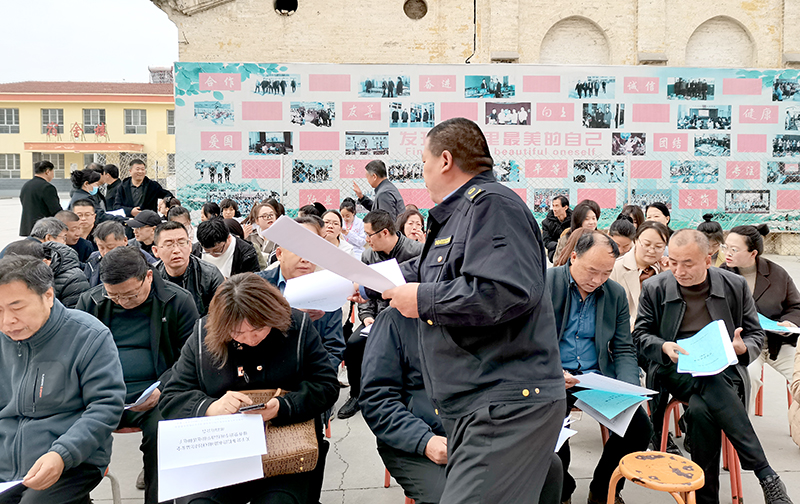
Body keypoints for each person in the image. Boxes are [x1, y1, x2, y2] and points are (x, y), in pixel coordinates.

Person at [379, 118, 565, 504]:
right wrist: (362, 280)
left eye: (424, 163)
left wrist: (424, 300)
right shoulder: (461, 214)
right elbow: (433, 273)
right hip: (475, 403)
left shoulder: (492, 205)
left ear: (445, 160)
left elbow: (506, 290)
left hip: (504, 403)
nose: (423, 174)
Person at [634, 229, 792, 504]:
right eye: (673, 262)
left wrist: (743, 348)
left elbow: (755, 334)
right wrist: (662, 346)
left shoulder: (733, 285)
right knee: (709, 382)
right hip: (675, 367)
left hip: (723, 367)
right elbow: (640, 335)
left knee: (700, 408)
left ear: (708, 260)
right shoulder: (655, 287)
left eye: (688, 263)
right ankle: (766, 474)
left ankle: (706, 500)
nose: (678, 271)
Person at [158, 273, 339, 504]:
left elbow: (326, 386)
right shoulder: (204, 333)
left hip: (284, 447)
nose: (250, 339)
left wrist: (282, 407)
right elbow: (172, 396)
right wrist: (211, 407)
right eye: (237, 333)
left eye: (258, 329)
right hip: (221, 451)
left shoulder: (297, 326)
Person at [76, 247, 200, 504]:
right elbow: (75, 355)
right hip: (100, 394)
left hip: (156, 393)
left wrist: (163, 387)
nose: (122, 302)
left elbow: (190, 359)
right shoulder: (91, 301)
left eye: (131, 295)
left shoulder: (177, 301)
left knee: (163, 433)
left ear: (149, 277)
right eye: (114, 296)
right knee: (64, 428)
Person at [0, 255, 125, 504]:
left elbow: (105, 407)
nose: (7, 321)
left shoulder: (88, 335)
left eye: (16, 308)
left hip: (72, 458)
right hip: (6, 459)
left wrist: (61, 454)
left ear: (48, 296)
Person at [546, 232, 653, 504]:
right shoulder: (547, 284)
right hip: (553, 377)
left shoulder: (614, 294)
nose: (596, 280)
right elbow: (527, 341)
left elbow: (623, 347)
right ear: (573, 257)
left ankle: (604, 489)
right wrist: (551, 372)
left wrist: (628, 389)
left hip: (595, 380)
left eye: (605, 273)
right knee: (551, 427)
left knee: (639, 428)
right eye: (591, 271)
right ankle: (562, 491)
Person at [339, 209, 423, 420]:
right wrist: (366, 316)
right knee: (354, 345)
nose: (366, 240)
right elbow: (366, 296)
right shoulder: (368, 255)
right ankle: (356, 394)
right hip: (375, 317)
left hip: (408, 316)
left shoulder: (416, 252)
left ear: (385, 232)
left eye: (369, 235)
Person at [360, 308, 447, 504]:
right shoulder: (394, 320)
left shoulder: (485, 311)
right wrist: (425, 441)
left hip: (478, 432)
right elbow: (377, 399)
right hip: (415, 438)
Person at [721, 224, 800, 412]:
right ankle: (740, 429)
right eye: (725, 247)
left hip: (776, 343)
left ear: (753, 253)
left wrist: (789, 323)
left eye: (734, 249)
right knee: (748, 377)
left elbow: (796, 306)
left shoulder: (777, 274)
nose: (727, 254)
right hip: (745, 345)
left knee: (799, 376)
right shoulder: (721, 275)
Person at [259, 216, 346, 371]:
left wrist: (314, 381)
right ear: (279, 254)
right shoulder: (257, 287)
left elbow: (334, 348)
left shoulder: (328, 291)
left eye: (312, 251)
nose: (306, 259)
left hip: (310, 378)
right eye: (298, 249)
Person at [153, 221, 224, 317]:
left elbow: (221, 314)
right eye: (169, 245)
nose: (177, 250)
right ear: (156, 251)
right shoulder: (150, 276)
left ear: (190, 246)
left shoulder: (210, 275)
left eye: (182, 243)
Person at [610, 221, 670, 331]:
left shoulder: (667, 270)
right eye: (646, 244)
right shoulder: (615, 268)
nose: (651, 250)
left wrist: (670, 275)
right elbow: (609, 309)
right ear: (636, 241)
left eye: (658, 246)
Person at [5, 238, 90, 309]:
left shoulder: (74, 279)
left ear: (45, 263)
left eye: (22, 269)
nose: (17, 274)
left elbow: (73, 317)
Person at [84, 221, 158, 288]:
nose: (106, 252)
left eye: (110, 247)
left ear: (125, 240)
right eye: (101, 247)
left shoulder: (141, 258)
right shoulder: (93, 259)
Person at [193, 217, 260, 277]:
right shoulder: (195, 251)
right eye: (206, 251)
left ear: (228, 237)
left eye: (217, 250)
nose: (212, 254)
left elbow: (252, 283)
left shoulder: (246, 254)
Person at [19, 160, 62, 237]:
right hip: (43, 229)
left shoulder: (26, 185)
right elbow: (55, 209)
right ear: (47, 171)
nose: (53, 175)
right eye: (53, 172)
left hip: (28, 227)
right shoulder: (47, 187)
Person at [242, 202, 279, 269]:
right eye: (264, 216)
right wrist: (242, 238)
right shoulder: (250, 236)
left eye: (271, 214)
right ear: (257, 221)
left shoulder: (282, 235)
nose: (269, 218)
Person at [541, 195, 572, 263]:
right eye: (553, 206)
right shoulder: (546, 222)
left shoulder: (574, 220)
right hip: (555, 250)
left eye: (557, 206)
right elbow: (546, 242)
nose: (554, 209)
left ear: (565, 207)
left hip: (572, 249)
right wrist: (560, 245)